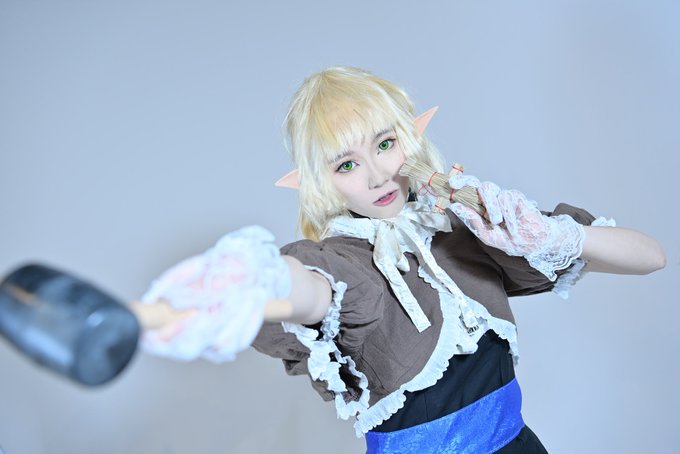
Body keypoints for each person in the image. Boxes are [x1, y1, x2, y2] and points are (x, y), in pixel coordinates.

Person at [132, 66, 666, 453]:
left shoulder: (464, 229)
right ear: (320, 183)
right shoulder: (346, 261)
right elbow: (311, 288)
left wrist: (547, 235)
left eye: (384, 144)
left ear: (410, 136)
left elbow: (651, 257)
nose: (377, 175)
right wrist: (257, 281)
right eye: (346, 164)